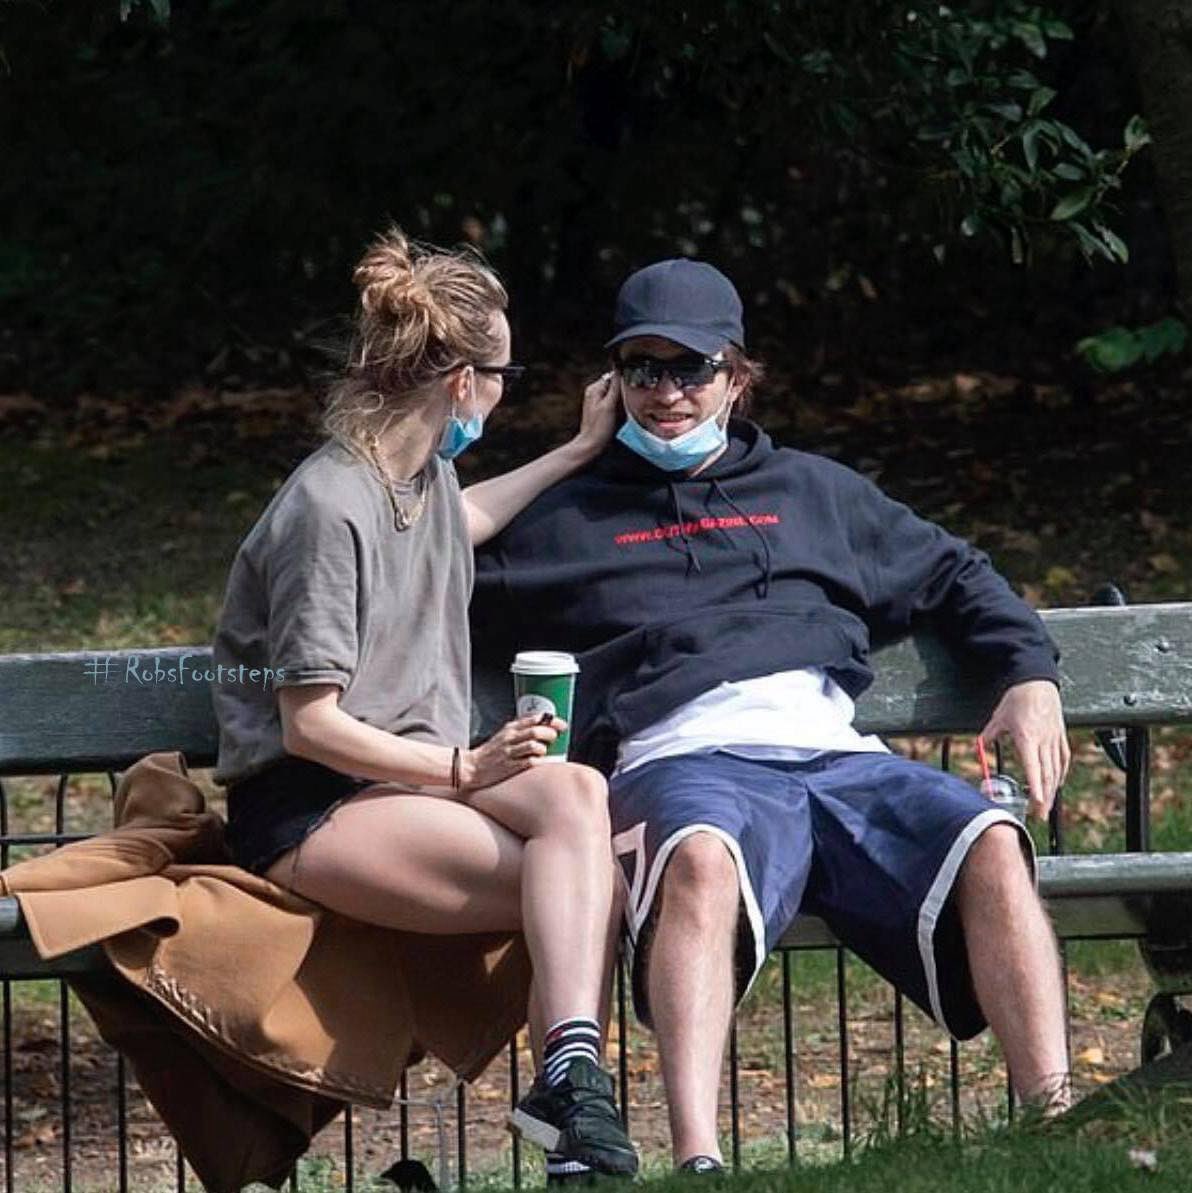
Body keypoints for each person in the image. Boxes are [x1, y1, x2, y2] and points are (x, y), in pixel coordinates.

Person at [472, 258, 1073, 1173]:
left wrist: (1029, 676)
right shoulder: (562, 518)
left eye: (691, 368)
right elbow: (418, 561)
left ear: (737, 376)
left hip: (836, 753)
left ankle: (1055, 1127)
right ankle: (700, 1160)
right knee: (702, 858)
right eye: (642, 368)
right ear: (610, 380)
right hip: (682, 759)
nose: (666, 392)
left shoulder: (815, 493)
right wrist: (567, 454)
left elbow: (957, 573)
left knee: (991, 838)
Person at [210, 227, 637, 1181]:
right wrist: (463, 768)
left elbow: (464, 518)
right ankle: (571, 1122)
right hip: (314, 799)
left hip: (410, 783)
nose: (500, 392)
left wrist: (574, 451)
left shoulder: (421, 474)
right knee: (582, 883)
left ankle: (567, 1083)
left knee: (575, 801)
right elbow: (307, 724)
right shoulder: (327, 508)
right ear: (459, 382)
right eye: (502, 373)